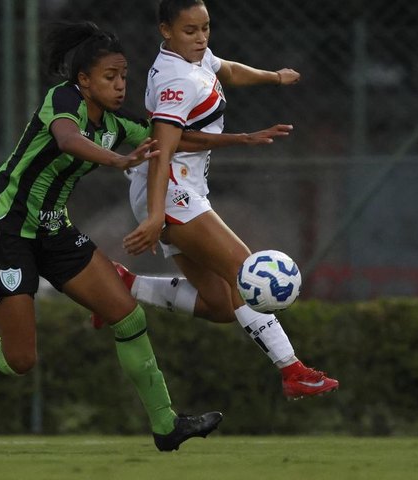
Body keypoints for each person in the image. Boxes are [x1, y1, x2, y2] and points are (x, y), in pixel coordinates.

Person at [0, 21, 230, 452]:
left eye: (123, 76)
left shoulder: (117, 124)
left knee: (128, 316)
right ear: (84, 80)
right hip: (8, 230)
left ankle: (166, 425)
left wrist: (244, 139)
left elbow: (171, 138)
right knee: (20, 359)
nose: (120, 85)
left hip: (55, 232)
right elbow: (67, 140)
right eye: (109, 77)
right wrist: (117, 161)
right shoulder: (63, 100)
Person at [119, 0, 339, 400]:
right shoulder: (177, 80)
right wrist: (155, 216)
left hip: (180, 190)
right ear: (166, 30)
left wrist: (274, 76)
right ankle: (293, 370)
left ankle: (124, 286)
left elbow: (230, 70)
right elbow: (162, 150)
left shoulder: (192, 58)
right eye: (190, 30)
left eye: (205, 28)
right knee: (245, 271)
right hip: (169, 190)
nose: (201, 37)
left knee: (220, 304)